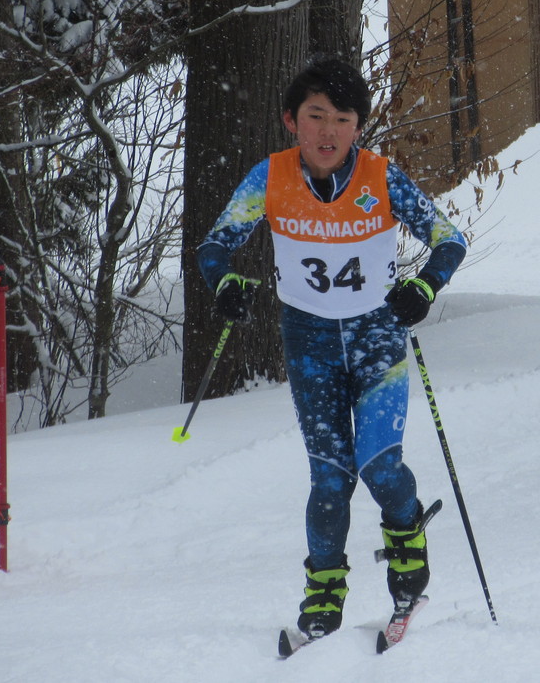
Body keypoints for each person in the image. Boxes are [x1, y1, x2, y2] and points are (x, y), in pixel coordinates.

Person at [195, 57, 467, 645]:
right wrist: (225, 284)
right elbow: (214, 244)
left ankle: (409, 563)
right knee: (330, 479)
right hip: (310, 341)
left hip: (376, 340)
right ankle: (323, 595)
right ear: (291, 121)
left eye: (342, 119)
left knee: (380, 466)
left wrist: (423, 287)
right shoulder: (269, 177)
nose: (328, 131)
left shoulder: (381, 177)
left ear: (357, 128)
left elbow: (450, 237)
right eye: (316, 116)